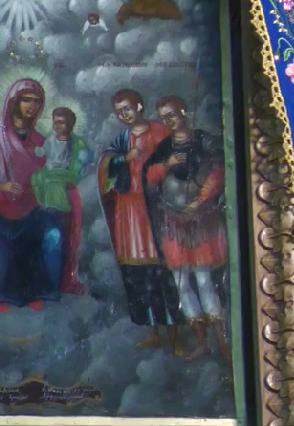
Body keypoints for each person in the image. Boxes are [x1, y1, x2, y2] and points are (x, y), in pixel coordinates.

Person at [0, 79, 64, 312]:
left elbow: (49, 177)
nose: (31, 106)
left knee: (53, 234)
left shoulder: (41, 142)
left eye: (37, 101)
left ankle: (40, 291)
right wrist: (0, 186)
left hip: (30, 213)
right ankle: (5, 291)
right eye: (26, 100)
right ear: (13, 102)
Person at [144, 95, 230, 362]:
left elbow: (219, 171)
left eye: (172, 114)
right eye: (163, 117)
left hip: (200, 220)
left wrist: (200, 200)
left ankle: (222, 342)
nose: (169, 120)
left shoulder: (204, 140)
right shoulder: (165, 147)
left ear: (183, 111)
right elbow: (150, 177)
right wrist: (166, 165)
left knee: (204, 280)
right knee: (182, 284)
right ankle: (202, 343)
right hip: (173, 221)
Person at [98, 89, 182, 351]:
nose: (124, 114)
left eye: (128, 108)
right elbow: (106, 167)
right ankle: (154, 332)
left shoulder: (161, 133)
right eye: (119, 111)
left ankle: (175, 336)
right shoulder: (123, 139)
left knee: (163, 273)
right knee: (138, 274)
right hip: (129, 213)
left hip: (154, 210)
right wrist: (125, 158)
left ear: (140, 107)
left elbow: (178, 169)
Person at [31, 107, 92, 295]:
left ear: (70, 124)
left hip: (65, 188)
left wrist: (69, 173)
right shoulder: (50, 140)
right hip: (49, 184)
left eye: (61, 122)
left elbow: (80, 166)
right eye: (55, 122)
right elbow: (42, 153)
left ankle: (66, 280)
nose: (57, 126)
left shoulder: (76, 145)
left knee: (68, 236)